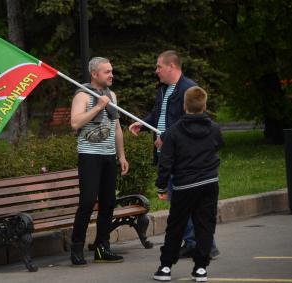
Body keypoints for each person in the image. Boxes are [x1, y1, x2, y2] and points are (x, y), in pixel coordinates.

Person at [128, 50, 219, 259]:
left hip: (182, 155)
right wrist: (142, 124)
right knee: (181, 203)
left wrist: (168, 137)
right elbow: (158, 115)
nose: (156, 70)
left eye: (159, 66)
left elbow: (189, 121)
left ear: (172, 66)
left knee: (183, 203)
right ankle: (197, 243)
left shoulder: (189, 89)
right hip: (166, 153)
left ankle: (199, 243)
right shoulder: (163, 90)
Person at [152, 86, 224, 282]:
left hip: (184, 186)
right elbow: (218, 144)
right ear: (205, 105)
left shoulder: (172, 133)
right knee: (205, 225)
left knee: (176, 225)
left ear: (184, 106)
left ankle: (166, 267)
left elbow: (165, 162)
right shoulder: (214, 128)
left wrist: (161, 186)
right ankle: (201, 268)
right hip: (209, 182)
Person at [69, 57, 129, 266]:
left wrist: (121, 155)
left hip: (108, 156)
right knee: (87, 202)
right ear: (94, 74)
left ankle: (103, 248)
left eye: (111, 71)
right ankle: (76, 248)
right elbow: (75, 122)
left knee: (108, 203)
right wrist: (98, 107)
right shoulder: (83, 95)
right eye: (107, 72)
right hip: (89, 156)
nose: (111, 75)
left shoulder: (111, 95)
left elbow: (117, 128)